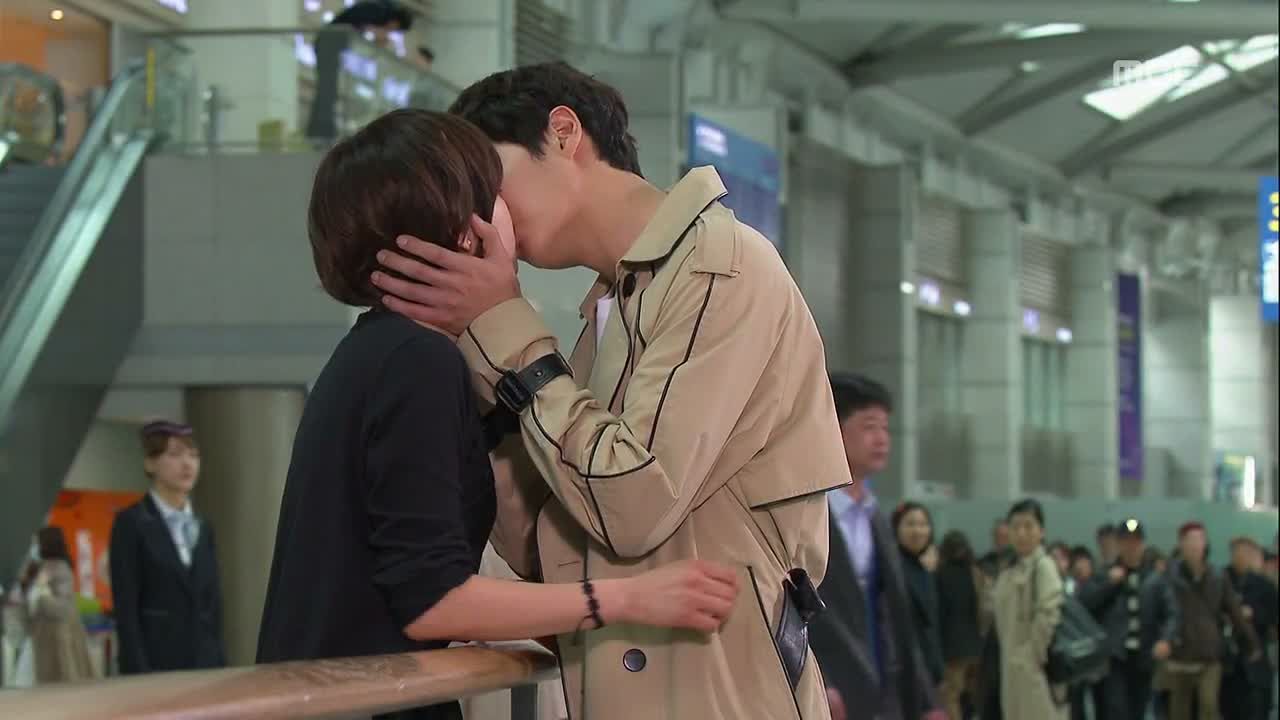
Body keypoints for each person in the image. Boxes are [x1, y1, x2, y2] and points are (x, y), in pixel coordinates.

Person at [368, 64, 850, 719]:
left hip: (721, 694)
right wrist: (479, 362)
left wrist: (508, 331)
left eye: (488, 181)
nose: (484, 214)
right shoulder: (616, 306)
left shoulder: (720, 267)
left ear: (563, 132)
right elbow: (547, 544)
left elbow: (632, 505)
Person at [256, 110, 742, 720]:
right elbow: (434, 599)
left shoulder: (375, 353)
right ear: (468, 233)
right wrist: (627, 599)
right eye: (496, 194)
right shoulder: (417, 362)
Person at [808, 374, 943, 720]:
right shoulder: (806, 517)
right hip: (831, 696)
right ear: (834, 428)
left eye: (885, 428)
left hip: (886, 695)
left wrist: (926, 702)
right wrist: (816, 679)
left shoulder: (877, 519)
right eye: (869, 427)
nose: (882, 439)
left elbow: (898, 621)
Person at [109, 420, 225, 675]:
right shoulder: (131, 523)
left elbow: (213, 606)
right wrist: (139, 672)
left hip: (205, 667)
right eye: (175, 454)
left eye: (193, 455)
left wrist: (219, 664)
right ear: (150, 463)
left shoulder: (203, 527)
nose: (187, 464)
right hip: (156, 666)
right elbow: (126, 607)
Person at [1158, 522, 1259, 720]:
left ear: (1205, 543)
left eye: (1200, 539)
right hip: (1179, 655)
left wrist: (1250, 643)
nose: (1195, 545)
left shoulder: (1217, 576)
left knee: (1208, 706)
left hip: (1209, 653)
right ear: (1181, 544)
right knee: (1179, 710)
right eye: (1191, 540)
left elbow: (1235, 612)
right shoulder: (1169, 577)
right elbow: (1158, 612)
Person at [1077, 518, 1175, 720]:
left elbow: (1172, 613)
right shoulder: (1104, 574)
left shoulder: (1154, 580)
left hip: (1143, 657)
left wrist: (1166, 639)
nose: (1131, 547)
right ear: (1119, 544)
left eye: (1135, 542)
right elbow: (1085, 603)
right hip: (1114, 658)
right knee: (1116, 709)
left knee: (1137, 710)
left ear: (1142, 544)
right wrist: (1109, 584)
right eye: (1126, 541)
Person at [991, 499, 1067, 720]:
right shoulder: (1009, 570)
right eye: (1015, 527)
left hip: (1036, 671)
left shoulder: (1043, 566)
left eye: (1028, 526)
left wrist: (1031, 657)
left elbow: (1049, 613)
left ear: (1041, 531)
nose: (1021, 533)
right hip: (1011, 668)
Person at [307, 0, 414, 140]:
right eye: (395, 28)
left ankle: (322, 130)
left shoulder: (379, 11)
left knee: (329, 88)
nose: (391, 31)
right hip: (329, 43)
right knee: (327, 88)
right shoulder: (379, 10)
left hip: (331, 44)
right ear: (396, 21)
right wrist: (378, 34)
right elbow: (364, 26)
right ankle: (320, 130)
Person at [26, 527, 95, 684]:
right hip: (45, 636)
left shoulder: (60, 569)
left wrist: (41, 596)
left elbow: (62, 608)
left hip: (59, 639)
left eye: (36, 543)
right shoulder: (42, 568)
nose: (33, 547)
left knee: (61, 683)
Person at [1221, 537, 1277, 720]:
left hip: (1256, 663)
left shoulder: (1264, 586)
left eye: (1246, 552)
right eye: (1237, 552)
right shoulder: (1221, 581)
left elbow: (1273, 616)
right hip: (1228, 663)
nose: (1241, 557)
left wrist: (1253, 613)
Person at [935, 530, 988, 720]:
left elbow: (939, 614)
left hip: (953, 649)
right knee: (978, 697)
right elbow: (985, 610)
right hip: (977, 646)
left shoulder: (939, 575)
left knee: (951, 696)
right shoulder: (976, 574)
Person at [892, 502, 943, 687]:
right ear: (896, 528)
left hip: (928, 666)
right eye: (910, 524)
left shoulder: (926, 569)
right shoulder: (892, 568)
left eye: (923, 524)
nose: (917, 530)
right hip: (901, 667)